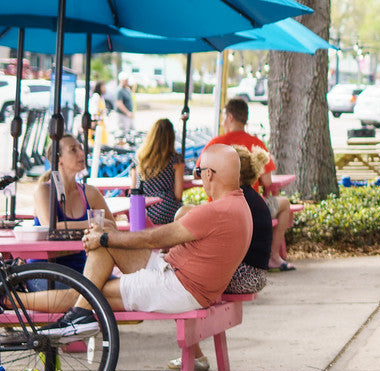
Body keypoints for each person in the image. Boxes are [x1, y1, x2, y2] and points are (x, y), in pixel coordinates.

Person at [35, 144, 250, 339]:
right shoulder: (238, 206)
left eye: (199, 172)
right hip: (174, 273)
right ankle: (80, 314)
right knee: (103, 244)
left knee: (92, 291)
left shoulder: (216, 211)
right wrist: (107, 236)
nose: (198, 178)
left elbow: (155, 238)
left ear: (210, 175)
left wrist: (105, 238)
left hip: (179, 288)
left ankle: (16, 301)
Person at [168, 144, 274, 371]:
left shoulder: (234, 201)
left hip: (246, 274)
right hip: (254, 272)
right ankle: (195, 354)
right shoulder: (247, 198)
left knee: (182, 277)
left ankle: (195, 355)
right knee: (184, 272)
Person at [205, 97, 295, 270]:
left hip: (219, 207)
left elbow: (200, 175)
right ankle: (273, 256)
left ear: (230, 117)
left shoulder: (215, 144)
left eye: (224, 116)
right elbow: (268, 182)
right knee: (284, 204)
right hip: (253, 208)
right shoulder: (256, 143)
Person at [33, 135, 116, 274]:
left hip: (84, 270)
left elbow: (112, 227)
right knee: (90, 293)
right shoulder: (43, 191)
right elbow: (52, 228)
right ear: (58, 159)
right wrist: (94, 223)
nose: (81, 153)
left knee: (122, 291)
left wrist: (100, 225)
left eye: (80, 148)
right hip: (46, 271)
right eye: (73, 150)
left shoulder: (90, 192)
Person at [132, 118, 185, 225]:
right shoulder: (176, 160)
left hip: (143, 211)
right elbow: (178, 195)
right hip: (166, 209)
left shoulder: (140, 159)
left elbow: (134, 190)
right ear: (171, 138)